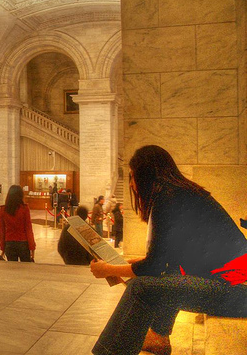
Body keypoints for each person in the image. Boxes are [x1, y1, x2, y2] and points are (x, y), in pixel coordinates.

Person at [89, 145, 247, 355]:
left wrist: (109, 269)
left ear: (144, 177)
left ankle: (108, 352)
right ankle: (158, 337)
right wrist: (122, 266)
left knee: (140, 288)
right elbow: (164, 260)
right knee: (166, 275)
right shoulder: (182, 194)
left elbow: (154, 267)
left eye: (132, 177)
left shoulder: (168, 199)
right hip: (234, 287)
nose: (132, 184)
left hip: (237, 293)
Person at [0, 185, 36, 262]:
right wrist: (32, 247)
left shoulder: (3, 210)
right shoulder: (24, 209)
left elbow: (2, 231)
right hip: (23, 243)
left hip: (9, 243)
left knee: (13, 271)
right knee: (25, 270)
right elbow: (28, 229)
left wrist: (2, 247)